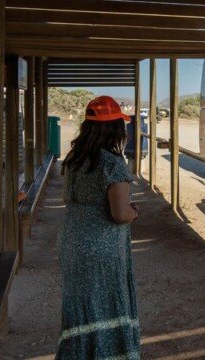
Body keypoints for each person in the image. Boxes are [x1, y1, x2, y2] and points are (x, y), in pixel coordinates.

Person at [57, 96, 140, 359]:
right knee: (106, 307)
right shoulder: (113, 164)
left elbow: (67, 199)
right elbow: (119, 214)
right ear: (115, 128)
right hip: (101, 249)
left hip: (72, 241)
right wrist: (134, 212)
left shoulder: (74, 159)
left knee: (80, 306)